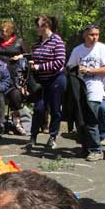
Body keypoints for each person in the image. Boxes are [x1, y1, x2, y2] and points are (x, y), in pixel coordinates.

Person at [66, 23, 105, 161]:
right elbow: (69, 66)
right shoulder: (78, 50)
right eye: (92, 34)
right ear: (85, 35)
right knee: (80, 120)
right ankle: (85, 148)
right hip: (79, 88)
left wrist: (89, 70)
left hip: (95, 88)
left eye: (97, 35)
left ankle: (97, 150)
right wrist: (76, 70)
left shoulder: (102, 48)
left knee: (91, 119)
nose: (94, 38)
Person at [28, 14, 66, 150]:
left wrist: (41, 66)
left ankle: (53, 136)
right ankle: (33, 136)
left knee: (55, 109)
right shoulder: (37, 43)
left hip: (56, 79)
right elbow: (35, 57)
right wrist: (33, 64)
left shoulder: (57, 41)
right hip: (40, 81)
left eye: (38, 26)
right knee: (38, 108)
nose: (36, 29)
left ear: (46, 26)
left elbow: (60, 61)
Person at [0, 21, 27, 135]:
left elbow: (27, 55)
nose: (2, 33)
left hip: (13, 74)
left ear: (10, 31)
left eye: (4, 31)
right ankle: (0, 124)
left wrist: (20, 56)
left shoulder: (19, 42)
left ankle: (17, 123)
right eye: (1, 31)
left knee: (15, 96)